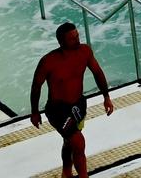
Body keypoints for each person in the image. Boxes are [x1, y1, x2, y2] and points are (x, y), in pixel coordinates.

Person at [30, 22, 114, 178]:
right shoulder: (49, 61)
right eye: (72, 39)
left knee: (70, 142)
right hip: (58, 110)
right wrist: (35, 112)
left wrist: (106, 97)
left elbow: (97, 72)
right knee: (78, 142)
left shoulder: (85, 52)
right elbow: (36, 87)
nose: (77, 40)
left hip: (78, 106)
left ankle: (66, 172)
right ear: (61, 42)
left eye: (77, 36)